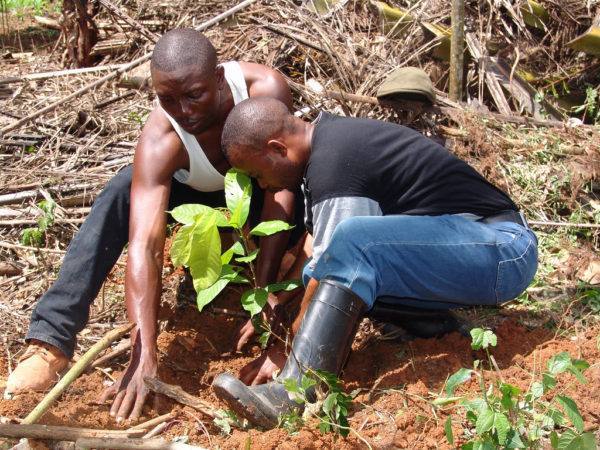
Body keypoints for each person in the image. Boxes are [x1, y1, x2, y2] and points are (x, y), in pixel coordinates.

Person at [5, 29, 305, 422]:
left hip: (259, 189)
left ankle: (295, 311)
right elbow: (144, 244)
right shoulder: (162, 136)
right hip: (193, 200)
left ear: (217, 78)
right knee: (120, 191)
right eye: (168, 100)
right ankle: (51, 342)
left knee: (304, 182)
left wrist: (264, 289)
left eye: (194, 95)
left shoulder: (264, 88)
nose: (184, 111)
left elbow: (279, 187)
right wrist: (143, 349)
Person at [211, 97, 538, 428]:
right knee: (340, 273)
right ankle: (440, 329)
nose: (263, 185)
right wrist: (279, 304)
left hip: (504, 249)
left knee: (355, 244)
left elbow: (335, 258)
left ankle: (294, 394)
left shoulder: (334, 161)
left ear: (278, 149)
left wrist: (285, 351)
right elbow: (315, 256)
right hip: (474, 253)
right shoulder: (325, 151)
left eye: (257, 173)